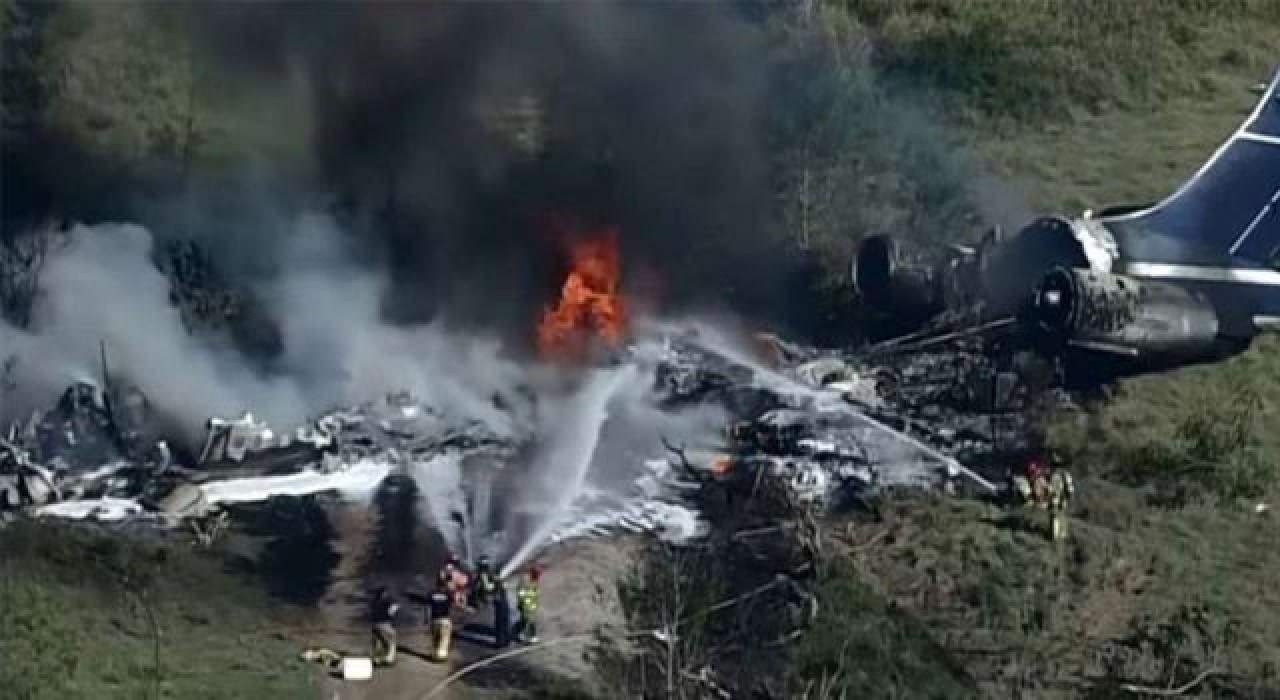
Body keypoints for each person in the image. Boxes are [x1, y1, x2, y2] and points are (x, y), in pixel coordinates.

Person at [425, 577, 454, 662]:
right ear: (444, 585)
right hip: (445, 619)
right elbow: (451, 606)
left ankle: (435, 654)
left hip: (434, 619)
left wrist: (427, 619)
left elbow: (428, 608)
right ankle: (441, 655)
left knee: (435, 638)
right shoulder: (448, 594)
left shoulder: (431, 594)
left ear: (437, 584)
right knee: (444, 638)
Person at [370, 587, 399, 666]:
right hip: (384, 623)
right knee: (392, 639)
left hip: (375, 624)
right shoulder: (388, 601)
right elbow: (393, 610)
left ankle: (376, 659)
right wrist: (392, 615)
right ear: (384, 594)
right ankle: (389, 659)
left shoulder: (373, 601)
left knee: (377, 642)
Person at [513, 564, 541, 644]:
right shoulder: (527, 583)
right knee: (528, 620)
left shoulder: (532, 583)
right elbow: (522, 593)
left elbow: (533, 595)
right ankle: (531, 636)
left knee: (526, 620)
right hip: (526, 605)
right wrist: (525, 604)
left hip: (529, 605)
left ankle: (521, 634)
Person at [492, 576, 512, 649]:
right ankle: (501, 641)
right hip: (499, 598)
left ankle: (505, 639)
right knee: (501, 620)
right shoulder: (493, 578)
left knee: (504, 619)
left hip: (500, 597)